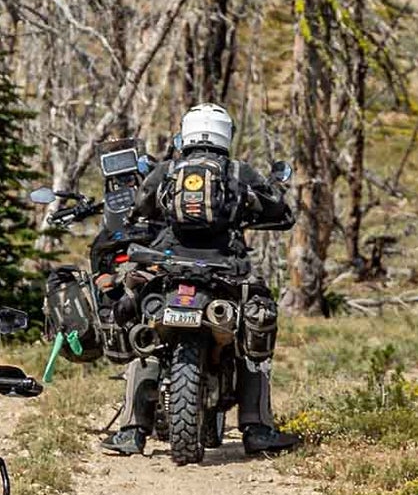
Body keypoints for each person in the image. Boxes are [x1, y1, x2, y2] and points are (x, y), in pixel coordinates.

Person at [104, 101, 299, 460]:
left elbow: (138, 209)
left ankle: (132, 432)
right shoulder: (239, 172)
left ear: (187, 130)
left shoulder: (167, 170)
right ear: (226, 134)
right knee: (250, 339)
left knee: (146, 345)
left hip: (168, 267)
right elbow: (281, 213)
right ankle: (256, 429)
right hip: (224, 269)